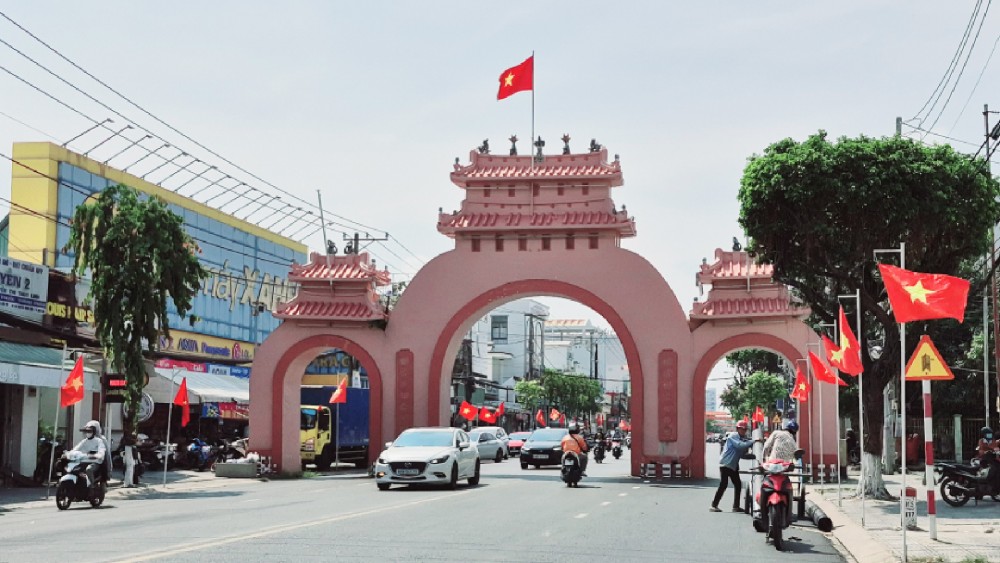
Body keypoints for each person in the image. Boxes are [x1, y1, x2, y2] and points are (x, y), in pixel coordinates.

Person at [711, 420, 758, 512]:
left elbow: (742, 455)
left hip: (733, 465)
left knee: (738, 484)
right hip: (726, 464)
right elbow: (740, 446)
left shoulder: (743, 439)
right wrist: (754, 441)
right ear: (737, 429)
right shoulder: (733, 436)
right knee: (723, 485)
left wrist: (754, 456)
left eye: (745, 429)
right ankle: (714, 505)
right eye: (742, 429)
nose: (743, 431)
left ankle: (736, 506)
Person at [70, 420, 109, 493]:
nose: (87, 433)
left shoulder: (100, 440)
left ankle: (92, 487)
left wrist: (98, 456)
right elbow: (76, 449)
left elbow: (104, 453)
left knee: (89, 469)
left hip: (96, 462)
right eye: (86, 431)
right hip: (84, 461)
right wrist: (69, 453)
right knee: (73, 469)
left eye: (89, 431)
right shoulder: (84, 441)